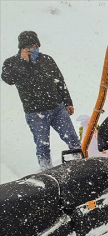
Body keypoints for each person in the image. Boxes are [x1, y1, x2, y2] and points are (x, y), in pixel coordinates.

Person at [1, 31, 81, 171]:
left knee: (72, 137)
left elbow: (59, 81)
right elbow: (8, 79)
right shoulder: (11, 63)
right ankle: (46, 170)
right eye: (30, 46)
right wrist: (23, 62)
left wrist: (68, 102)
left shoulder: (47, 60)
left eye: (36, 45)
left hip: (57, 108)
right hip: (35, 113)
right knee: (42, 145)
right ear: (22, 48)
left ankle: (81, 162)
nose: (34, 48)